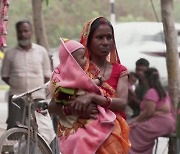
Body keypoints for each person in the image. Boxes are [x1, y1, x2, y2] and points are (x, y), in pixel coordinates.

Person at [48, 16, 131, 154]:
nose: (105, 42)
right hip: (80, 136)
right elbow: (52, 106)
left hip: (111, 134)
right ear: (88, 40)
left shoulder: (120, 71)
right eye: (99, 37)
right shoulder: (77, 70)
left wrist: (93, 97)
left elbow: (122, 103)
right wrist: (75, 110)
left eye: (109, 37)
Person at [1, 19, 52, 130]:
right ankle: (14, 148)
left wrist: (35, 88)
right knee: (15, 130)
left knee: (40, 130)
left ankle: (37, 148)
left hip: (38, 98)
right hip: (16, 98)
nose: (23, 34)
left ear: (31, 32)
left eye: (26, 31)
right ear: (17, 33)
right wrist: (17, 84)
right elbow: (5, 76)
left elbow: (47, 75)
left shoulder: (41, 51)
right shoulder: (10, 53)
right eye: (20, 31)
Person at [129, 67, 175, 154]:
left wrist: (135, 120)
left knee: (133, 129)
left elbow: (148, 112)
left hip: (161, 122)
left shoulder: (152, 92)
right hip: (168, 123)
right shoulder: (163, 92)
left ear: (146, 79)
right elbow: (165, 110)